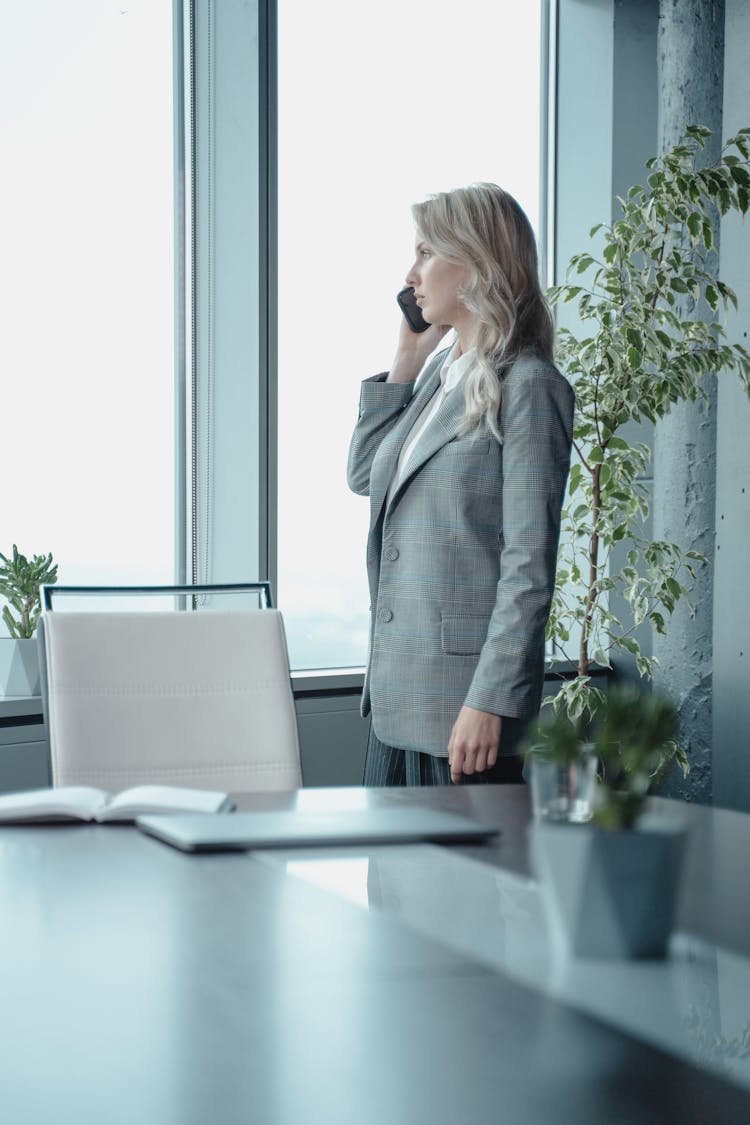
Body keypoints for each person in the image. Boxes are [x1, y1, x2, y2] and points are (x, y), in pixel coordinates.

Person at [347, 183, 574, 785]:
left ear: (475, 262)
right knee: (386, 882)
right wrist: (407, 357)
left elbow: (529, 564)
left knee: (459, 882)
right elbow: (365, 476)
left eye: (426, 252)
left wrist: (491, 701)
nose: (410, 273)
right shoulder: (439, 380)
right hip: (394, 709)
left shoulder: (527, 385)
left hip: (465, 719)